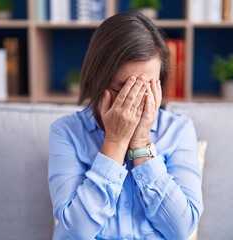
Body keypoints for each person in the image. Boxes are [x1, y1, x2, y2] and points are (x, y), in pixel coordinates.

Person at [48, 11, 203, 240]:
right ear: (98, 80)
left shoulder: (179, 130)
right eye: (126, 90)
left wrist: (141, 144)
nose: (137, 101)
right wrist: (115, 141)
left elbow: (181, 229)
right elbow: (76, 232)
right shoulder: (66, 132)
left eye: (148, 87)